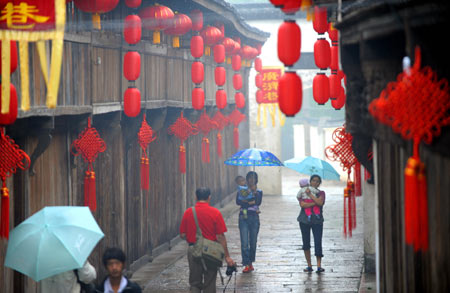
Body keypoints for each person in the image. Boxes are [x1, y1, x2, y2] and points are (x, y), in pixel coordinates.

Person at [180, 187, 236, 293]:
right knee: (210, 283)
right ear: (209, 197)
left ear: (196, 197)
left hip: (193, 250)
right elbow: (220, 237)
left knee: (195, 283)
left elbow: (182, 234)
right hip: (211, 252)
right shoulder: (215, 213)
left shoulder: (188, 212)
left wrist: (192, 238)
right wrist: (227, 256)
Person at [297, 174, 326, 273]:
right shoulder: (303, 191)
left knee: (318, 241)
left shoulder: (321, 193)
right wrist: (315, 202)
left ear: (319, 183)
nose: (315, 183)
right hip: (304, 220)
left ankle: (319, 265)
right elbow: (303, 204)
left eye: (317, 181)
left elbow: (321, 202)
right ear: (310, 181)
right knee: (306, 242)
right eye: (313, 180)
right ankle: (309, 265)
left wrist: (310, 196)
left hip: (317, 221)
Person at [236, 171, 263, 273]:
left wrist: (253, 195)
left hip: (254, 218)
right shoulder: (241, 190)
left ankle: (250, 262)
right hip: (243, 217)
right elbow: (238, 202)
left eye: (254, 178)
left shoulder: (259, 191)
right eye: (250, 178)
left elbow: (258, 202)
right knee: (244, 242)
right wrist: (248, 199)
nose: (252, 180)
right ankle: (246, 264)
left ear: (256, 180)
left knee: (253, 242)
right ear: (247, 180)